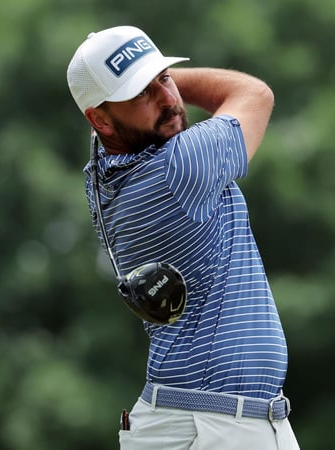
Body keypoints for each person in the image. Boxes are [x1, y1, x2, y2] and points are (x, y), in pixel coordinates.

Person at [67, 26, 299, 449]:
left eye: (166, 78)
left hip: (168, 418)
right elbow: (255, 94)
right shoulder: (180, 167)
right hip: (228, 423)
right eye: (141, 93)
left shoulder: (100, 176)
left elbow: (114, 121)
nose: (169, 100)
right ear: (100, 118)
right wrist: (171, 82)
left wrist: (141, 85)